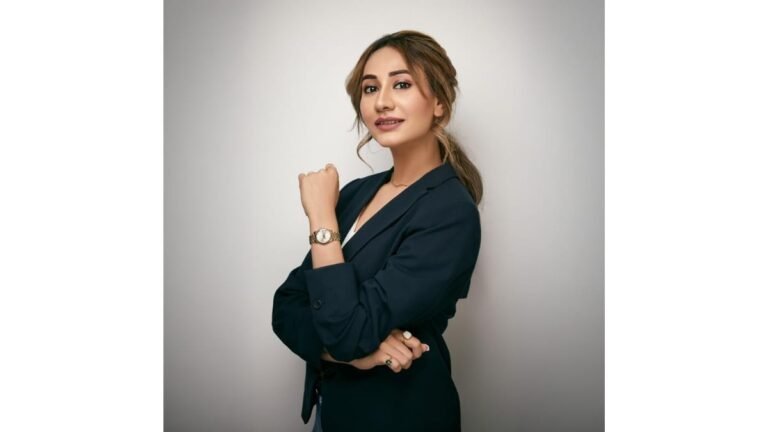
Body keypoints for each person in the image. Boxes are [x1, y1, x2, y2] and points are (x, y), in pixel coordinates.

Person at [272, 30, 483, 432]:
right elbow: (287, 306)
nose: (382, 101)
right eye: (371, 88)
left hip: (398, 417)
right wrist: (355, 354)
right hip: (332, 413)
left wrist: (321, 220)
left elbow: (347, 330)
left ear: (440, 103)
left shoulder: (450, 212)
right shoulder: (357, 193)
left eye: (401, 84)